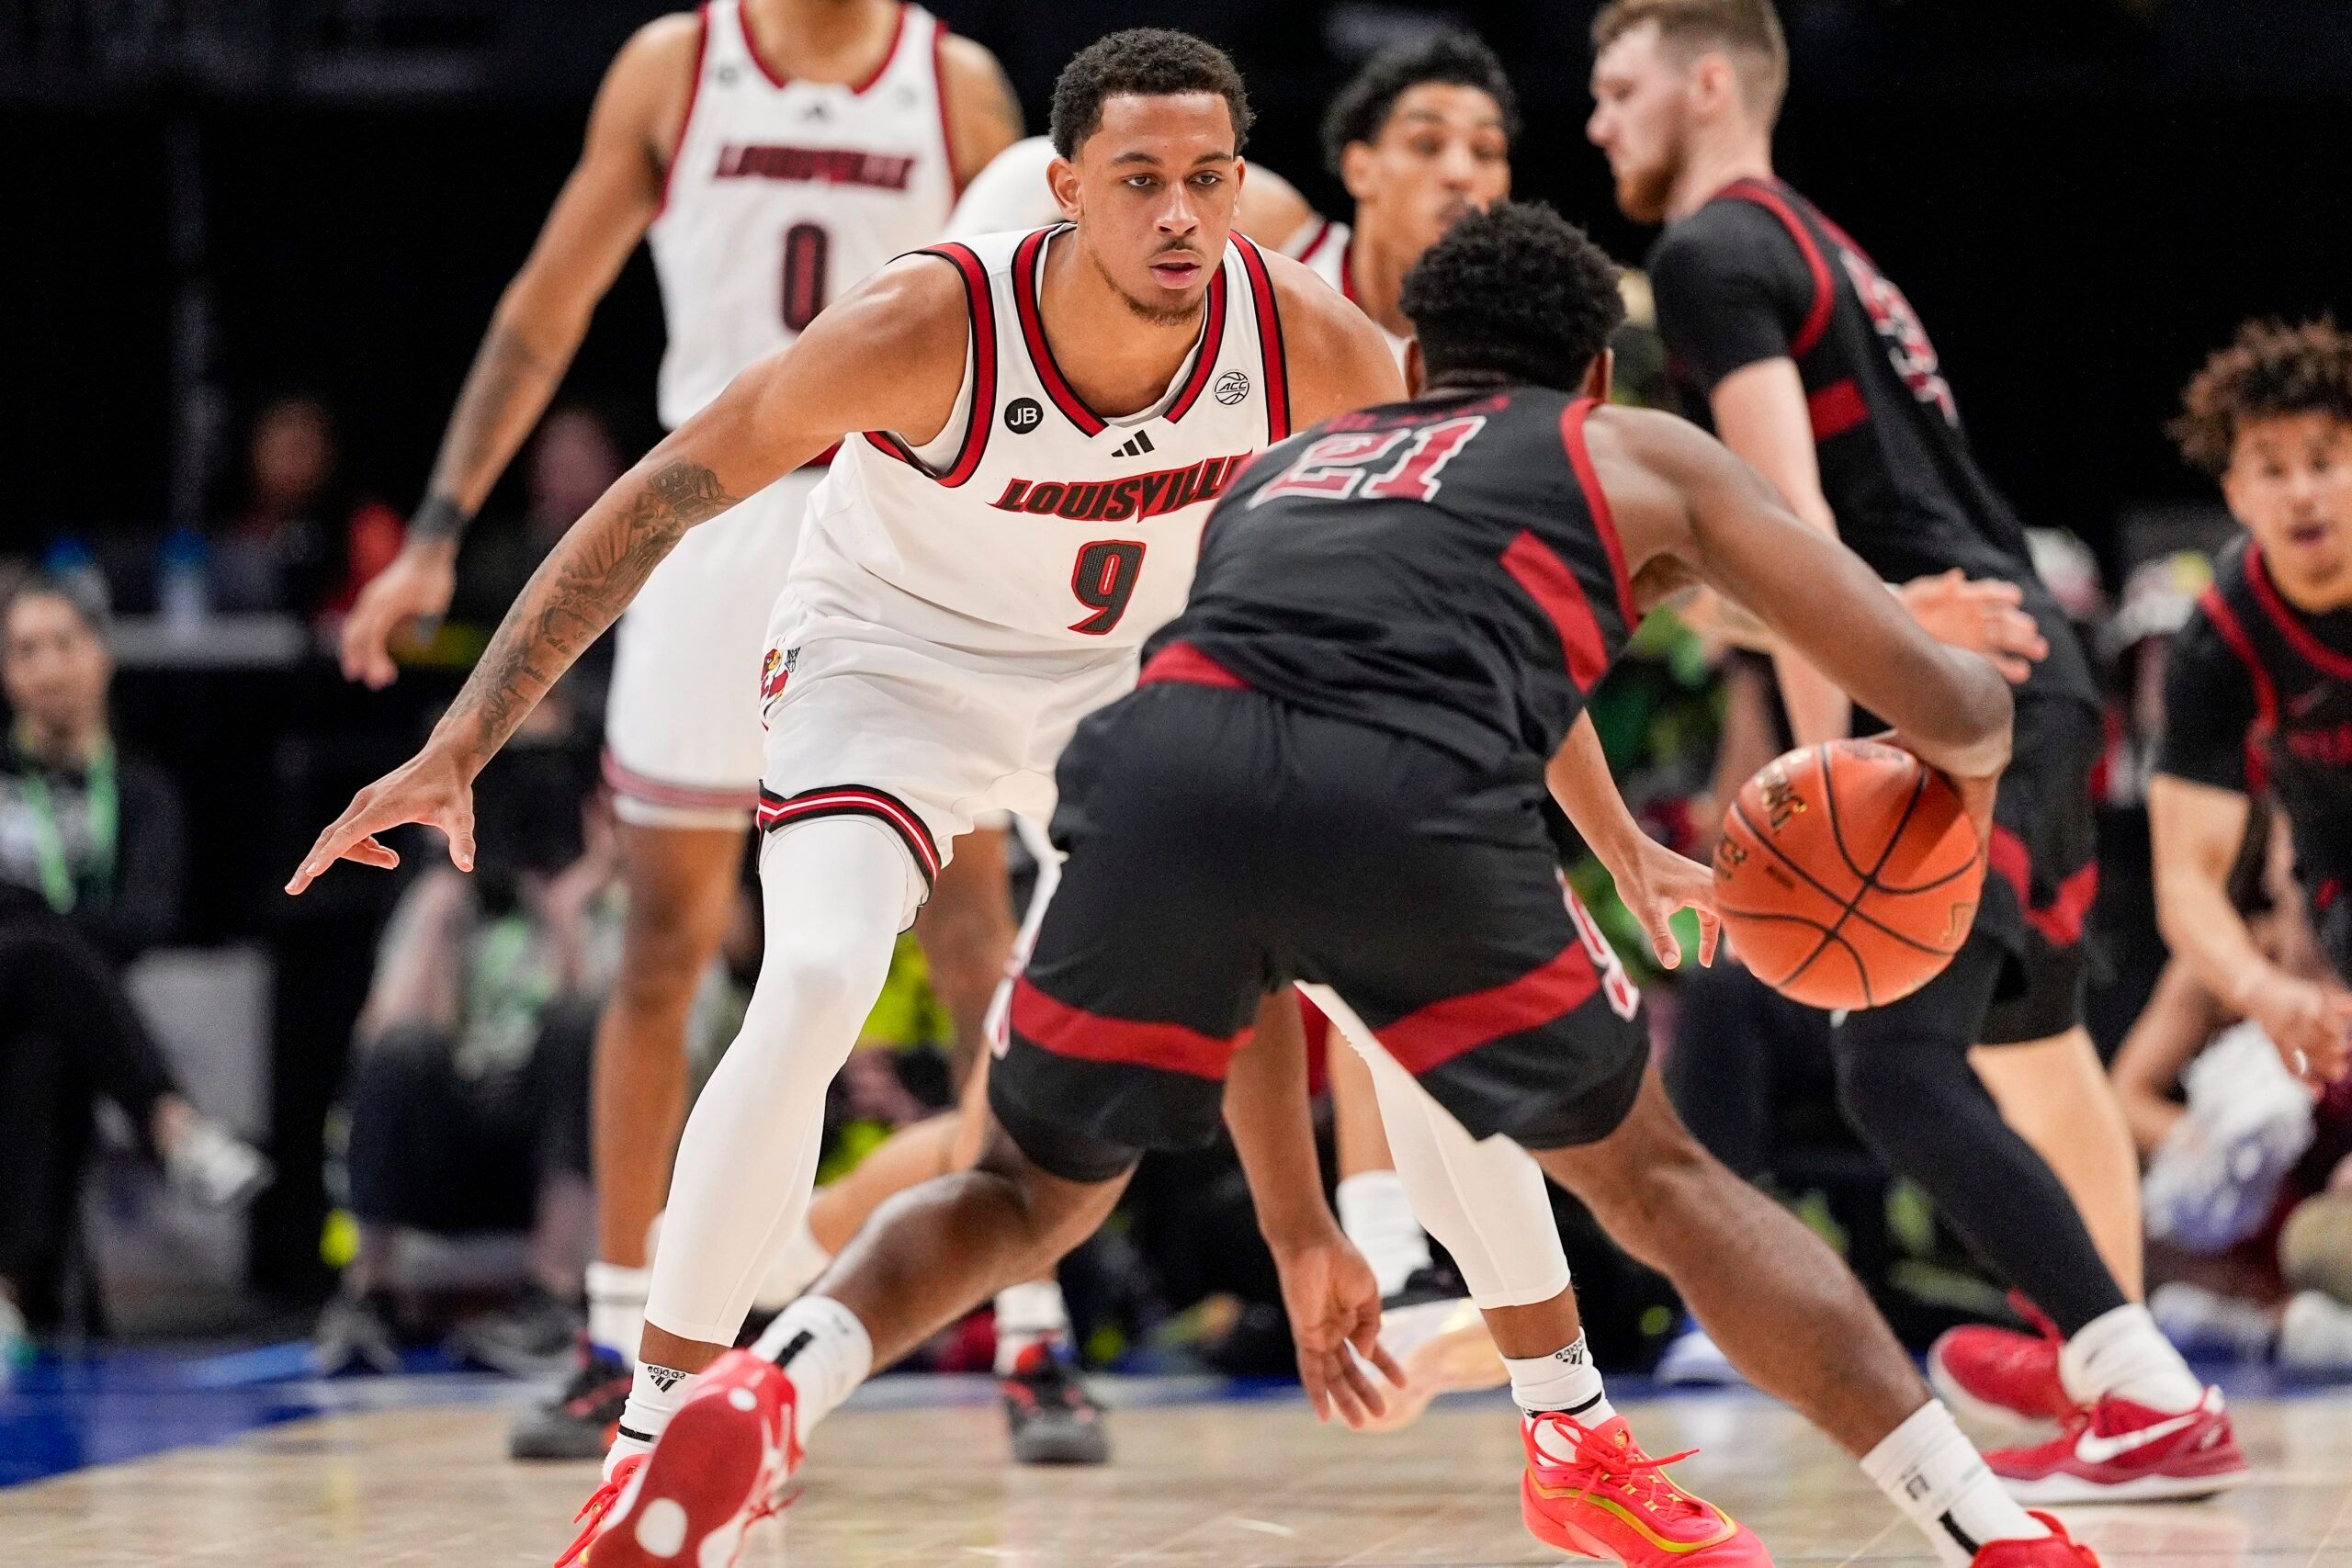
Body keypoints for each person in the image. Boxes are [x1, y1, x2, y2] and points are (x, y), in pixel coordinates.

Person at [560, 201, 2110, 1568]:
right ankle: (1985, 1524)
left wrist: (1301, 1224)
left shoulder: (1288, 468)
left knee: (1021, 1191)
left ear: (1412, 347)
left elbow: (1246, 912)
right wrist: (1950, 802)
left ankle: (770, 1386)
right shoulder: (1630, 448)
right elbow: (1959, 705)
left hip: (1159, 768)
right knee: (1669, 1189)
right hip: (1409, 798)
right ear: (1592, 375)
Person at [288, 22, 1412, 1516]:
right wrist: (463, 737)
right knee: (813, 972)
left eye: (1209, 177)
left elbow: (1467, 530)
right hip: (892, 660)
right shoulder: (929, 319)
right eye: (1141, 179)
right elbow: (643, 506)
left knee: (1307, 923)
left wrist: (1300, 1230)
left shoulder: (1305, 336)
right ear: (1063, 188)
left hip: (1109, 682)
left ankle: (1504, 1359)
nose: (1180, 215)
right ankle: (657, 1437)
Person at [758, 31, 1536, 1434]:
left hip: (1197, 693)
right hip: (1019, 657)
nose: (1462, 172)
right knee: (1029, 1088)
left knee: (1374, 937)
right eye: (1428, 142)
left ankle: (1429, 1283)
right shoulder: (1250, 262)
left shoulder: (1483, 335)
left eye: (1487, 147)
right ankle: (811, 1270)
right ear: (1347, 171)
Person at [329, 0, 1039, 1461]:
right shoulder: (678, 65)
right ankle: (616, 1325)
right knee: (661, 945)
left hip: (894, 519)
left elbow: (1031, 315)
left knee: (972, 927)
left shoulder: (952, 80)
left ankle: (1030, 1328)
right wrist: (443, 526)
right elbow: (548, 303)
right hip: (708, 523)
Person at [1584, 0, 2239, 1497]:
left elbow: (1786, 536)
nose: (1600, 121)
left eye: (1620, 91)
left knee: (1885, 1064)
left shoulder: (1704, 253)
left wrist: (1817, 775)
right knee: (2038, 1048)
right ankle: (2131, 1379)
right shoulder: (1830, 247)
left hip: (1942, 692)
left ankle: (2136, 1386)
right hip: (2039, 675)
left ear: (1704, 80)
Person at [0, 574, 271, 1368]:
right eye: (25, 651)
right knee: (44, 955)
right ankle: (171, 1123)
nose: (47, 667)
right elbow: (103, 929)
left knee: (44, 1041)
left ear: (101, 656)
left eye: (62, 645)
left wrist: (26, 916)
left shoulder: (144, 792)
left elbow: (147, 922)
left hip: (53, 1018)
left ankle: (10, 1293)